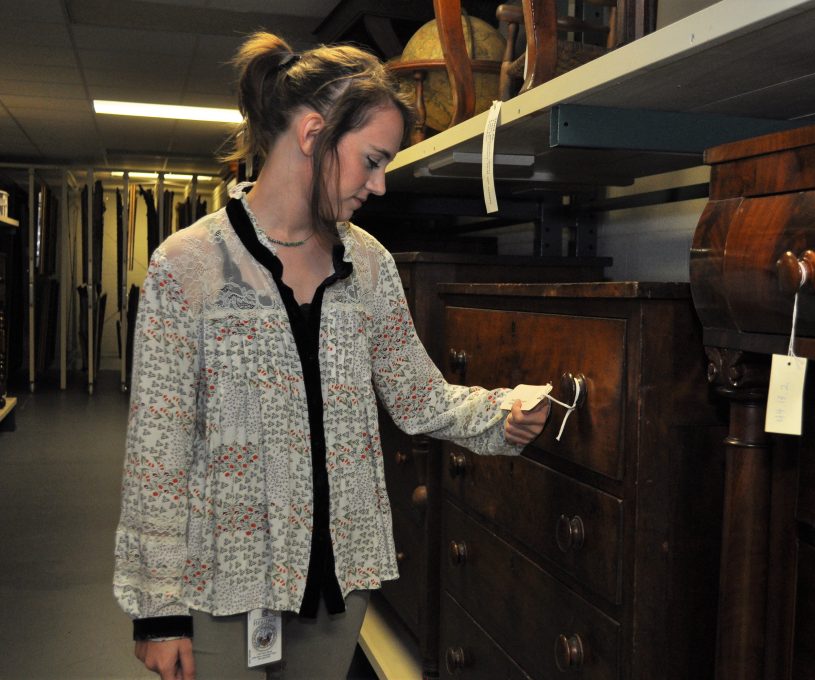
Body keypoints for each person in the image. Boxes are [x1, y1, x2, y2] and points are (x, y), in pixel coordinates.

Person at [113, 32, 550, 680]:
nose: (378, 185)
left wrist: (502, 413)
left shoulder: (368, 264)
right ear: (314, 133)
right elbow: (158, 455)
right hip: (219, 593)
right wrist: (158, 611)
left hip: (339, 586)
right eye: (372, 160)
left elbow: (418, 395)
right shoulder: (187, 268)